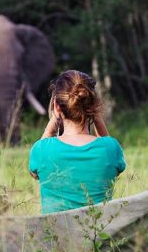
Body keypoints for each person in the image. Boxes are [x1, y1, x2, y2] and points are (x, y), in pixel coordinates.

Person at [28, 70, 126, 214]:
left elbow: (34, 174)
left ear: (57, 106)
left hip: (56, 235)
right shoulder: (111, 148)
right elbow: (108, 147)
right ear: (94, 106)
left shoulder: (41, 149)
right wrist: (97, 117)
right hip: (99, 235)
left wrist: (52, 123)